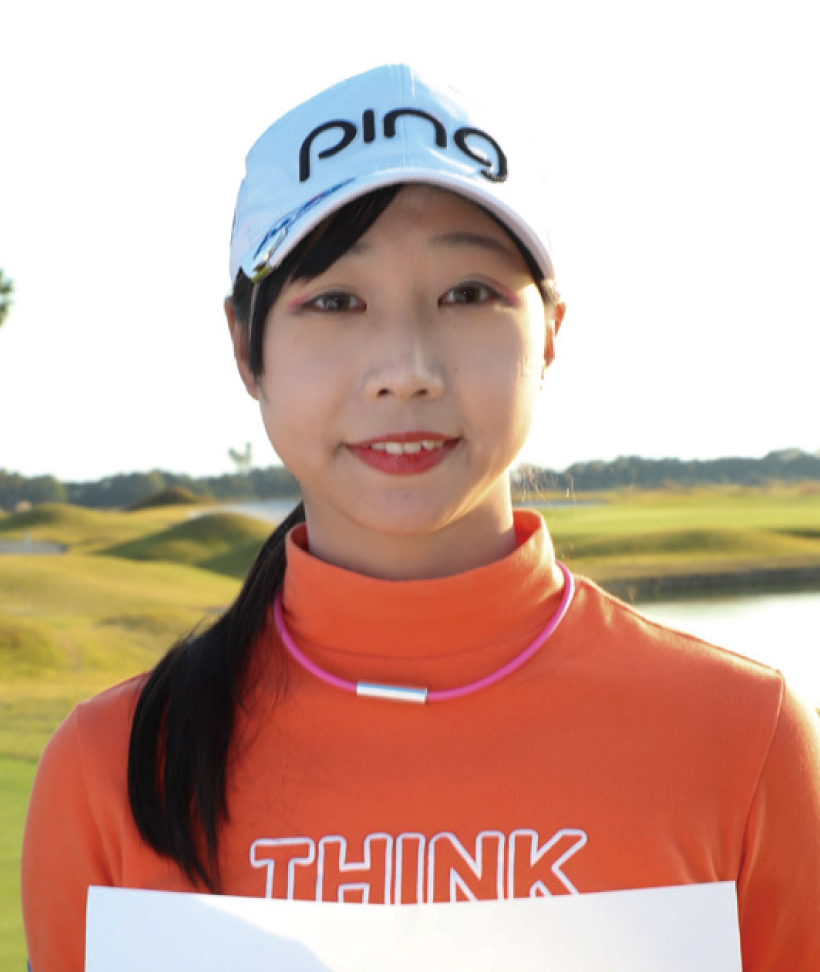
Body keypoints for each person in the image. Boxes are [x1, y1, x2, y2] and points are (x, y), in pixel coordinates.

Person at [21, 64, 820, 971]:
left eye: (468, 293)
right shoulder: (113, 768)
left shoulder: (743, 736)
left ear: (552, 333)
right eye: (335, 300)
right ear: (246, 349)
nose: (406, 369)